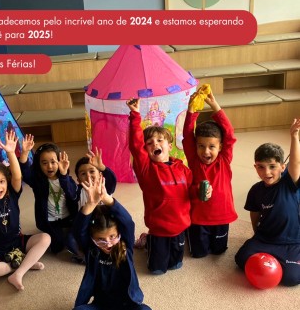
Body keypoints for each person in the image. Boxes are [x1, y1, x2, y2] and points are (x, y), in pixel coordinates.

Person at [69, 175, 154, 310]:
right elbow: (78, 231)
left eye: (112, 237)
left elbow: (127, 222)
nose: (108, 243)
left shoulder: (125, 246)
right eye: (101, 239)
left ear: (119, 234)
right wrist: (90, 204)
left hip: (126, 309)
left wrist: (108, 199)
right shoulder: (91, 250)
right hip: (100, 309)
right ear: (92, 238)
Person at [0, 130, 51, 291]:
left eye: (1, 181)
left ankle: (19, 272)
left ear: (6, 182)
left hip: (18, 241)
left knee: (45, 238)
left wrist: (11, 153)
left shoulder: (12, 194)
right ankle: (21, 264)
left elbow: (17, 177)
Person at [126, 98, 192, 275]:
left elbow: (192, 191)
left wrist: (204, 192)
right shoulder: (146, 169)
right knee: (156, 270)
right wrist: (135, 115)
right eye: (149, 143)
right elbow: (135, 145)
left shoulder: (183, 169)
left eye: (160, 140)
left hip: (180, 227)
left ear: (169, 146)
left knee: (176, 265)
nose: (155, 143)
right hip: (159, 229)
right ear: (146, 150)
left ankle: (152, 242)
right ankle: (147, 240)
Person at [235, 118, 300, 286]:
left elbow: (296, 162)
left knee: (291, 278)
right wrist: (256, 233)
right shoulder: (256, 190)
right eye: (261, 167)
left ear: (282, 167)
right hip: (266, 239)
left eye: (272, 166)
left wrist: (294, 136)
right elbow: (254, 212)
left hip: (291, 242)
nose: (267, 172)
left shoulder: (290, 182)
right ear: (255, 167)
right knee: (241, 259)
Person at [182, 88, 238, 258]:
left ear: (220, 147)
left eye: (212, 147)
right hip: (198, 219)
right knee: (198, 253)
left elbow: (229, 133)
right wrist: (191, 110)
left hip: (222, 217)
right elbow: (187, 135)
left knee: (219, 251)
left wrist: (214, 104)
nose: (206, 151)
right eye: (201, 146)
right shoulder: (194, 160)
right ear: (195, 146)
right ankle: (186, 231)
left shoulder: (224, 159)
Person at [19, 135, 78, 257]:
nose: (49, 166)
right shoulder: (38, 181)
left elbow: (73, 195)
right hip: (50, 220)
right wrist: (24, 153)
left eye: (53, 162)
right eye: (44, 163)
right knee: (57, 247)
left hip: (69, 217)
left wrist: (63, 175)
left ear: (60, 162)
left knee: (78, 237)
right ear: (39, 165)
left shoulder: (67, 179)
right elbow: (26, 173)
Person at [72, 147, 117, 262]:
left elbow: (112, 179)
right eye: (83, 173)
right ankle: (84, 257)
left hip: (106, 226)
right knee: (70, 240)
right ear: (78, 179)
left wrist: (102, 167)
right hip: (87, 227)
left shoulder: (105, 186)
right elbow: (67, 186)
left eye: (92, 171)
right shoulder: (77, 191)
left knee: (121, 233)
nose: (88, 176)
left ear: (100, 175)